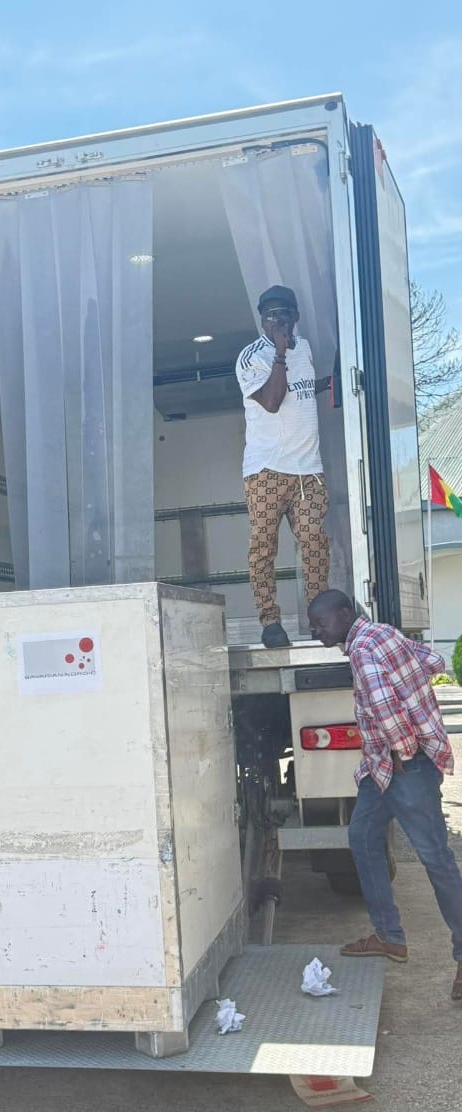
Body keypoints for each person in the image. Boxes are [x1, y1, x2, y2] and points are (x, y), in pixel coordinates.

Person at [308, 588, 462, 1001]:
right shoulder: (383, 633)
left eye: (320, 623)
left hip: (402, 766)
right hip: (385, 767)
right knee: (362, 837)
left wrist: (402, 756)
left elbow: (387, 712)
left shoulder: (362, 651)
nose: (315, 631)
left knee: (436, 859)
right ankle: (390, 937)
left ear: (345, 614)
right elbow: (433, 660)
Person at [236, 285, 332, 648]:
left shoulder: (303, 348)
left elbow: (299, 391)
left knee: (315, 543)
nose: (277, 321)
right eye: (270, 316)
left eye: (284, 314)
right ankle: (270, 621)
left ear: (296, 317)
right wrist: (279, 353)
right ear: (262, 320)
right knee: (263, 546)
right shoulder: (251, 357)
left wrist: (327, 384)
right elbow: (273, 401)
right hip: (267, 471)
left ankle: (320, 621)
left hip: (309, 470)